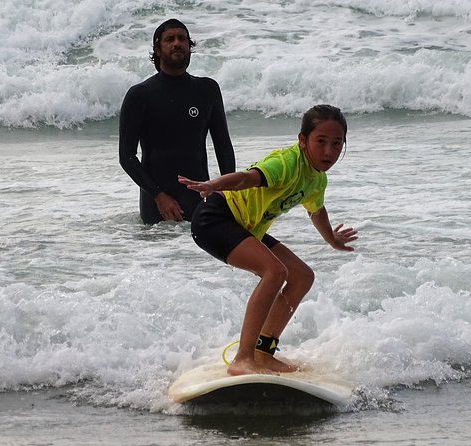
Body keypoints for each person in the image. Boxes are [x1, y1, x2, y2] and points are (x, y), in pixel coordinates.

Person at [178, 104, 358, 376]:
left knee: (302, 276)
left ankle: (263, 353)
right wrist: (215, 184)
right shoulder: (286, 163)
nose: (329, 152)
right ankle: (243, 358)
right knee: (274, 271)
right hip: (215, 218)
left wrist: (331, 239)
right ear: (302, 140)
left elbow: (316, 210)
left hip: (245, 225)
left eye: (337, 143)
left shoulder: (317, 180)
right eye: (320, 142)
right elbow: (247, 178)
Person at [119, 18, 236, 224]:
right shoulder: (140, 95)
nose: (177, 43)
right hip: (157, 207)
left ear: (189, 47)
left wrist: (228, 193)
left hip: (199, 200)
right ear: (157, 49)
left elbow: (223, 146)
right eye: (169, 39)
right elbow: (126, 156)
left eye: (182, 39)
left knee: (200, 255)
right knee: (157, 255)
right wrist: (159, 196)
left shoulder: (207, 90)